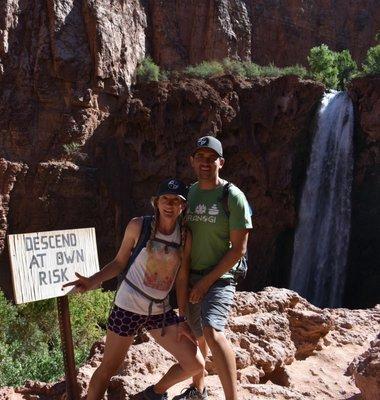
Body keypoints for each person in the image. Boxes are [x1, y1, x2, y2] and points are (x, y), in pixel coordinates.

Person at [63, 178, 205, 400]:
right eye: (165, 199)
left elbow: (181, 278)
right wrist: (91, 281)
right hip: (127, 307)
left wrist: (182, 317)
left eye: (176, 201)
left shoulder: (185, 236)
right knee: (107, 369)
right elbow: (119, 263)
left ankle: (153, 393)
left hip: (159, 311)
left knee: (195, 364)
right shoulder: (139, 225)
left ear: (183, 206)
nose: (170, 205)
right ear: (156, 202)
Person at [173, 136, 252, 400]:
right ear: (192, 161)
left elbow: (238, 249)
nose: (206, 163)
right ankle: (199, 388)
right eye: (201, 158)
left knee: (212, 331)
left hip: (220, 278)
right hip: (190, 274)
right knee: (195, 335)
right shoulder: (188, 195)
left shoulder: (233, 197)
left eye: (211, 158)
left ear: (221, 162)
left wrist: (205, 282)